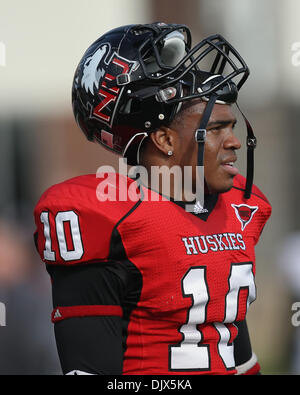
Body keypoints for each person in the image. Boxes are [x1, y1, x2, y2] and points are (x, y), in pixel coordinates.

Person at [33, 22, 272, 375]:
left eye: (232, 127)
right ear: (165, 140)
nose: (235, 142)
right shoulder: (110, 220)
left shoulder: (237, 209)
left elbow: (236, 353)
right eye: (217, 128)